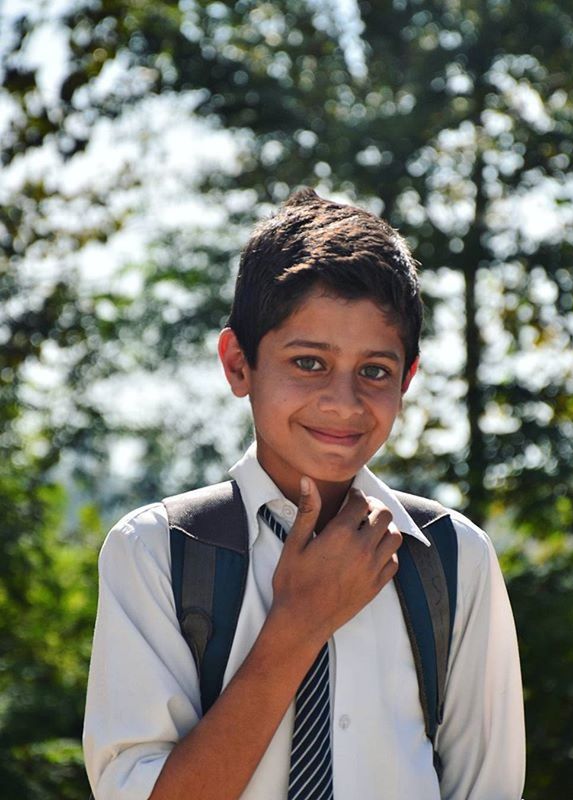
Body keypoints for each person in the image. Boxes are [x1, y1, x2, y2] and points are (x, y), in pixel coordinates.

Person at [83, 188, 525, 800]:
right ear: (238, 364)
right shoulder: (159, 552)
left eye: (374, 371)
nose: (343, 403)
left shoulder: (451, 559)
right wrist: (300, 624)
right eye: (309, 362)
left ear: (408, 379)